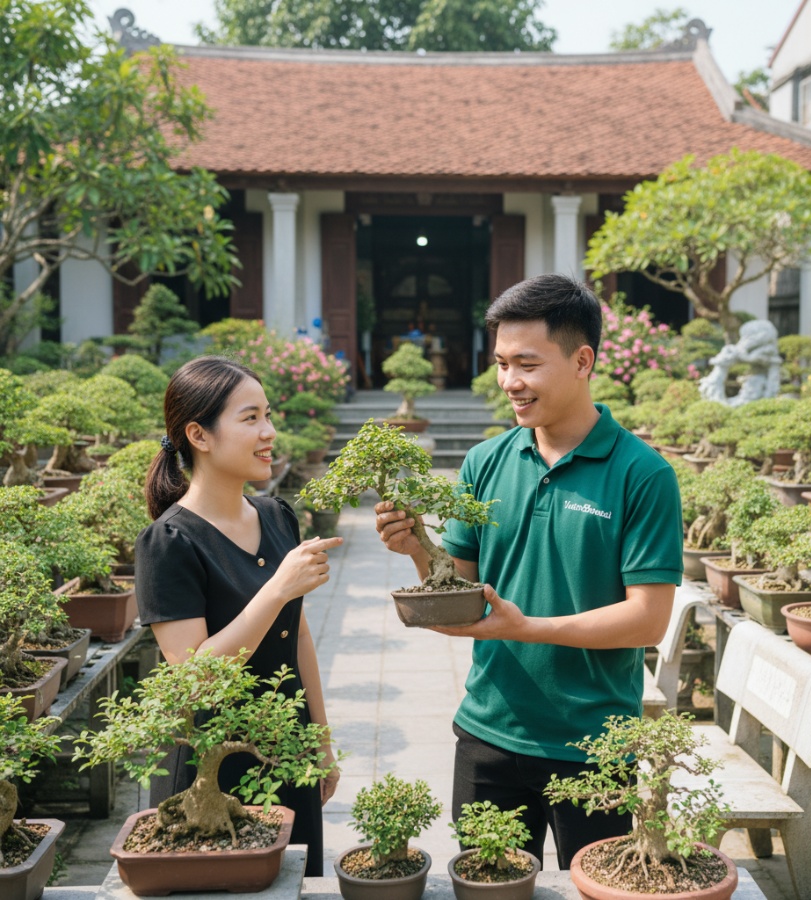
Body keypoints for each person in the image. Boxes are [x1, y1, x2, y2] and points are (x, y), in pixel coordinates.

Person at [375, 274, 683, 869]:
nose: (509, 383)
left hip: (595, 745)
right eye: (501, 363)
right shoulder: (485, 461)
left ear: (582, 360)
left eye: (527, 364)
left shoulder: (642, 475)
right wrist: (418, 549)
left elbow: (648, 620)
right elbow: (462, 588)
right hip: (489, 730)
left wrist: (525, 626)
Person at [135, 355, 342, 876]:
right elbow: (194, 678)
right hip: (211, 765)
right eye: (250, 419)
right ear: (199, 436)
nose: (269, 432)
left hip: (284, 747)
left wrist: (320, 738)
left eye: (268, 415)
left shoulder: (276, 515)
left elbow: (297, 636)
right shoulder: (168, 542)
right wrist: (276, 589)